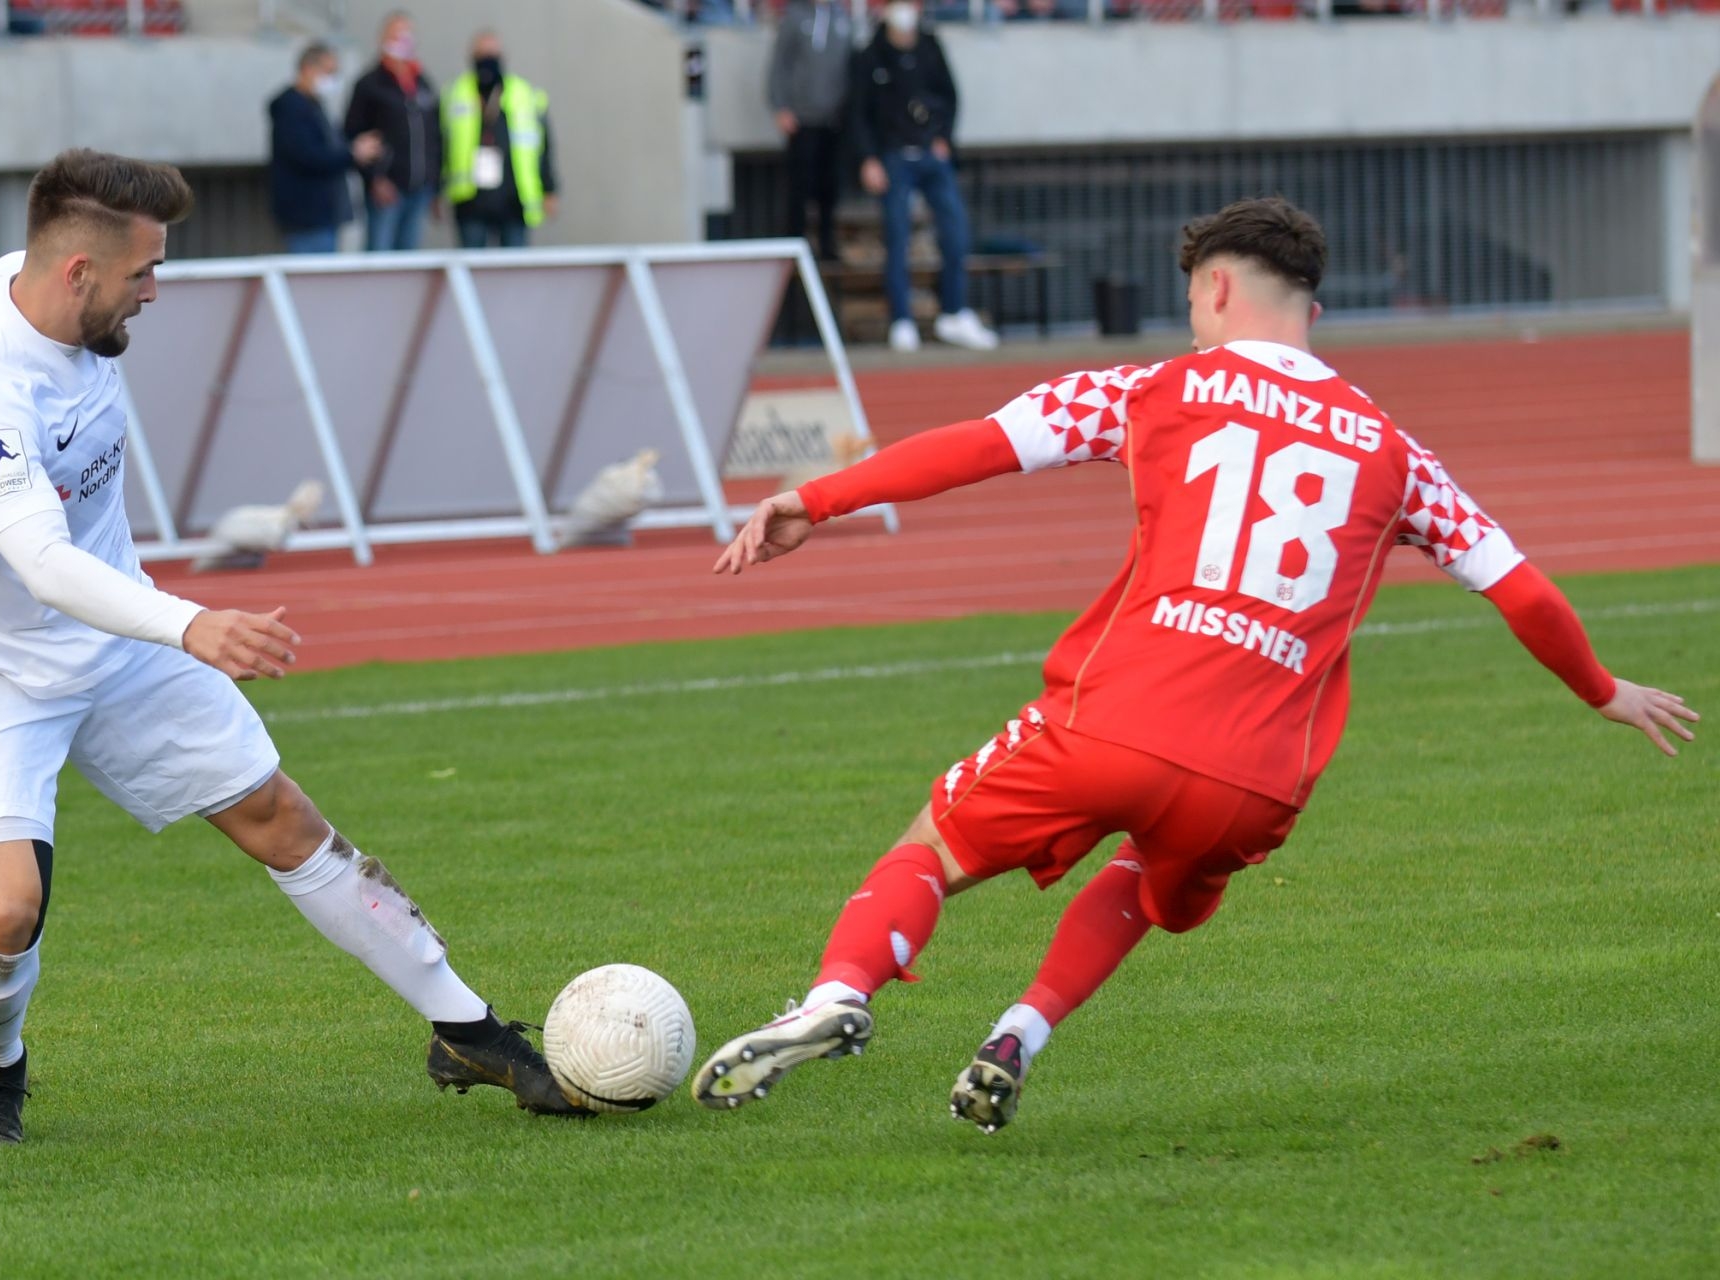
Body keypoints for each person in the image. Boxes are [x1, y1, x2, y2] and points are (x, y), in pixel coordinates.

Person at [692, 197, 1698, 1132]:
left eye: (1190, 304)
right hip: (1257, 782)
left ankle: (838, 995)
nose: (1190, 323)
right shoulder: (1397, 453)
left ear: (1217, 288)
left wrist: (814, 500)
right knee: (1152, 870)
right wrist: (1604, 690)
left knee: (931, 848)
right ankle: (1022, 1030)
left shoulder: (1154, 388)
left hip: (1111, 723)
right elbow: (1520, 588)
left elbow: (982, 446)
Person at [0, 148, 585, 1145]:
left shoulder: (56, 283)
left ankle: (468, 1028)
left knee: (282, 815)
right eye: (144, 272)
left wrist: (162, 623)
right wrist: (193, 622)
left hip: (123, 639)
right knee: (8, 912)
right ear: (78, 275)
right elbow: (44, 564)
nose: (157, 288)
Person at [849, 1, 997, 353]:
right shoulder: (870, 56)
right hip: (893, 157)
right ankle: (901, 320)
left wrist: (944, 137)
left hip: (931, 154)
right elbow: (858, 112)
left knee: (955, 231)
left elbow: (949, 95)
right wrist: (868, 158)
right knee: (897, 237)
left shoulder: (930, 46)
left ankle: (953, 311)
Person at [444, 29, 558, 250]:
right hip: (471, 201)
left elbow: (544, 146)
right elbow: (441, 144)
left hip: (514, 200)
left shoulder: (524, 93)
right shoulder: (455, 93)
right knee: (471, 269)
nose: (487, 61)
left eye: (492, 54)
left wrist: (550, 189)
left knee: (513, 273)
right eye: (482, 54)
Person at [268, 44, 383, 254]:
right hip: (306, 215)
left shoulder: (313, 105)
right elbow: (308, 155)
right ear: (308, 69)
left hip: (323, 213)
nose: (332, 80)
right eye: (329, 72)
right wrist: (352, 153)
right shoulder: (291, 108)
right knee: (309, 281)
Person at [344, 12, 443, 252]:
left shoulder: (421, 83)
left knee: (409, 257)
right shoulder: (369, 84)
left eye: (407, 34)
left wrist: (436, 185)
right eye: (396, 34)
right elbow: (353, 135)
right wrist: (374, 178)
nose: (402, 40)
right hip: (387, 188)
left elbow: (435, 136)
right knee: (380, 255)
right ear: (382, 38)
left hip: (420, 188)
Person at [767, 0, 855, 264]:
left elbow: (851, 66)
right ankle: (795, 244)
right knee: (799, 185)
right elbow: (779, 64)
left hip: (834, 119)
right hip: (802, 117)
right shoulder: (795, 17)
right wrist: (780, 105)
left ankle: (827, 242)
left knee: (830, 186)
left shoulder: (843, 19)